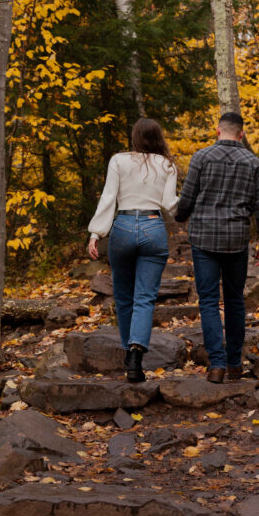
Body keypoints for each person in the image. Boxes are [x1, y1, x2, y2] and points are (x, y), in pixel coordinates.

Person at [176, 111, 259, 383]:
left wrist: (181, 217)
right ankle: (234, 365)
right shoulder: (253, 163)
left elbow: (187, 197)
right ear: (241, 134)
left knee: (207, 300)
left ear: (218, 131)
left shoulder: (201, 157)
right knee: (234, 302)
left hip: (204, 238)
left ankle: (216, 365)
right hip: (236, 240)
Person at [88, 118, 177, 384]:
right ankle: (137, 355)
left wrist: (96, 232)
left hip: (123, 226)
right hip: (153, 227)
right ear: (158, 137)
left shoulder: (118, 160)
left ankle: (129, 353)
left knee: (124, 297)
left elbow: (108, 196)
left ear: (135, 137)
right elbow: (170, 204)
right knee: (145, 298)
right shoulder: (167, 164)